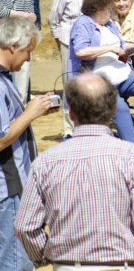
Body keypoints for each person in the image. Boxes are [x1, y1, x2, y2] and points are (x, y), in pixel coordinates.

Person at [14, 72, 134, 270]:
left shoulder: (45, 162)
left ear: (71, 113)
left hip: (67, 265)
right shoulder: (133, 159)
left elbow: (25, 226)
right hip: (119, 265)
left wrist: (47, 256)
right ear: (113, 110)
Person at [68, 0, 134, 149]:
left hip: (119, 74)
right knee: (120, 107)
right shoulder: (83, 24)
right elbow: (81, 51)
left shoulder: (108, 24)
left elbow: (120, 46)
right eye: (109, 8)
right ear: (98, 9)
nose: (112, 11)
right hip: (97, 81)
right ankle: (133, 149)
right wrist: (108, 49)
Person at [0, 17, 54, 271]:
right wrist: (30, 114)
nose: (29, 59)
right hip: (6, 190)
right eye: (27, 51)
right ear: (12, 46)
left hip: (10, 187)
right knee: (15, 263)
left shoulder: (4, 79)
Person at [49, 0, 97, 139]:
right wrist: (61, 41)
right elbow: (54, 19)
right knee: (70, 84)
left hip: (91, 44)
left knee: (89, 83)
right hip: (69, 44)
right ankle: (70, 129)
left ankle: (87, 124)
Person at [1, 0, 37, 103]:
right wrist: (21, 14)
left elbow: (32, 18)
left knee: (21, 91)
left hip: (21, 45)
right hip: (2, 46)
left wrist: (8, 13)